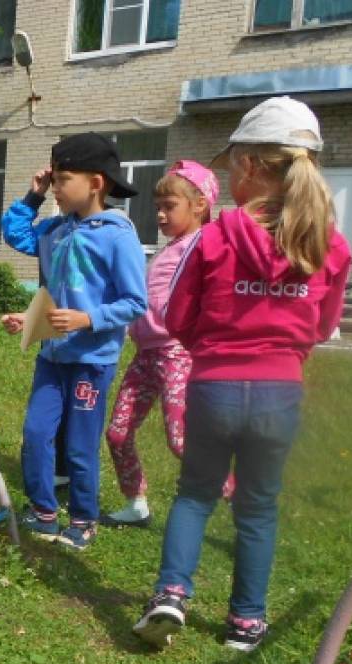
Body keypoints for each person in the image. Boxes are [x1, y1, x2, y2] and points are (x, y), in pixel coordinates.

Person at [133, 97, 351, 652]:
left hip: (214, 387)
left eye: (232, 164)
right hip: (280, 395)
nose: (231, 174)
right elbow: (323, 325)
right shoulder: (328, 242)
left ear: (252, 166)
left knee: (195, 496)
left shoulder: (215, 237)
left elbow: (176, 314)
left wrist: (211, 349)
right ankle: (246, 623)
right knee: (257, 507)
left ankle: (171, 595)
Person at [0, 133, 149, 550]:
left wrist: (88, 319)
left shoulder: (118, 235)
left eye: (63, 179)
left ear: (96, 183)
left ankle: (83, 519)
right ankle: (43, 512)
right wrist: (33, 195)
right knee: (36, 432)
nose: (56, 188)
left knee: (81, 446)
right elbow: (15, 234)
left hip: (91, 360)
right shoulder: (56, 230)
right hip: (52, 356)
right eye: (54, 179)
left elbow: (136, 302)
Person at [103, 161, 222, 527]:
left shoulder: (203, 245)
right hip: (146, 354)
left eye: (169, 206)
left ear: (199, 205)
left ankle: (238, 497)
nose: (160, 214)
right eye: (158, 206)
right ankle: (136, 502)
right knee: (118, 431)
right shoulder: (168, 249)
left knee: (179, 439)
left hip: (176, 354)